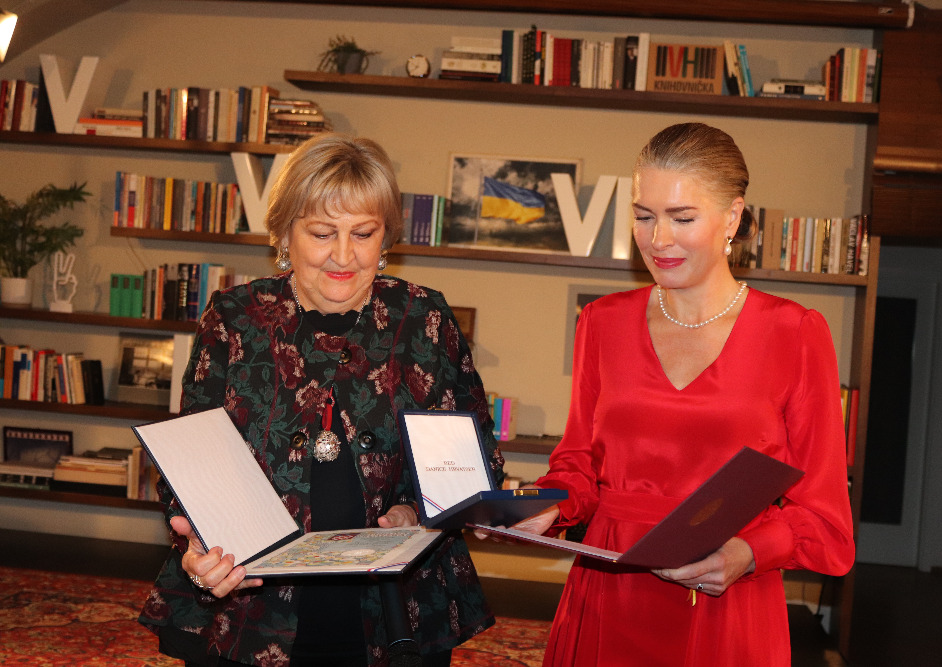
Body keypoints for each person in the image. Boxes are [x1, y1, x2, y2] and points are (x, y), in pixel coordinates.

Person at [139, 133, 503, 667]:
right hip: (251, 608)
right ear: (285, 232)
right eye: (322, 233)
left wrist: (416, 511)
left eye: (364, 233)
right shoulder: (234, 317)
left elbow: (474, 459)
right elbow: (189, 461)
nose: (344, 255)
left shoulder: (423, 318)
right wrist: (197, 548)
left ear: (386, 237)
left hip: (396, 609)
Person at [512, 123, 855, 666]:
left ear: (733, 217)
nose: (658, 239)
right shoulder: (601, 322)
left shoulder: (794, 332)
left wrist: (748, 552)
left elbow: (825, 518)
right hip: (609, 594)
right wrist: (546, 504)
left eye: (682, 218)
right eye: (645, 216)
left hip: (727, 604)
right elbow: (577, 466)